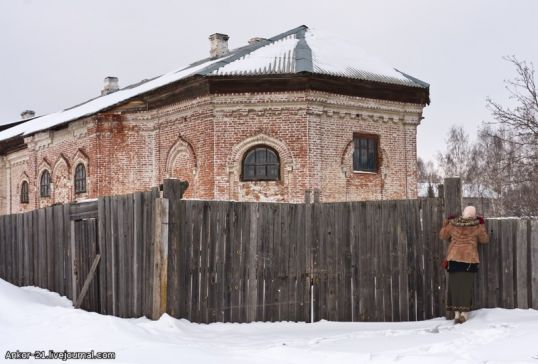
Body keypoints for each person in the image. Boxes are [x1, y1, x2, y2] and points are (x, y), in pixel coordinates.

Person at [439, 206, 489, 324]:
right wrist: (482, 225)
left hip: (453, 260)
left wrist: (446, 222)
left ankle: (456, 313)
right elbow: (484, 240)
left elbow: (443, 236)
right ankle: (464, 314)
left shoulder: (453, 224)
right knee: (465, 288)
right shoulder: (476, 226)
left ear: (463, 213)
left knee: (454, 287)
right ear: (474, 215)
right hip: (469, 261)